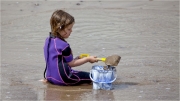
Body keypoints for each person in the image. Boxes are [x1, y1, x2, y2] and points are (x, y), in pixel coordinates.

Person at [43, 10, 98, 86]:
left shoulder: (48, 41)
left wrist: (77, 58)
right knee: (92, 77)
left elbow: (59, 61)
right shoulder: (64, 46)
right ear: (59, 28)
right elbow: (71, 64)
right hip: (64, 78)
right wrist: (88, 59)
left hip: (50, 77)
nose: (71, 31)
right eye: (69, 29)